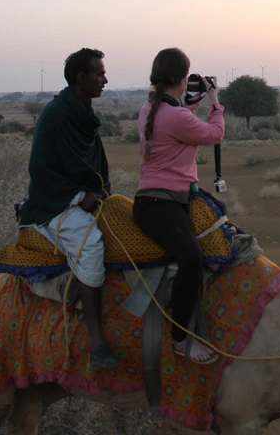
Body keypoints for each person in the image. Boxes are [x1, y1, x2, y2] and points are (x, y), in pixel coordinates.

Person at [18, 48, 118, 369]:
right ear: (81, 78)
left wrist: (101, 191)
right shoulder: (56, 115)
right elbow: (42, 171)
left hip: (88, 195)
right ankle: (96, 340)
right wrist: (78, 198)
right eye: (99, 74)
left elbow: (94, 163)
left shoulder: (83, 114)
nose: (105, 79)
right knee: (90, 247)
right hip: (55, 204)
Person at [133, 48, 225, 364]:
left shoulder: (150, 108)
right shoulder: (177, 116)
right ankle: (180, 340)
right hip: (163, 204)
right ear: (183, 78)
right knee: (191, 259)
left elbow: (176, 121)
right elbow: (216, 134)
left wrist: (189, 105)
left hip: (155, 202)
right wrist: (215, 101)